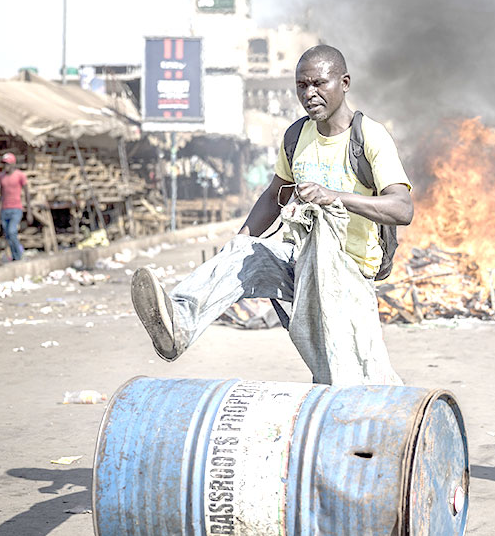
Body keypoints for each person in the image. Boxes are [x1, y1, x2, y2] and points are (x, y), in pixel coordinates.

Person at [129, 45, 413, 384]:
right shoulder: (296, 136)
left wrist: (334, 196)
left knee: (352, 380)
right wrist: (241, 241)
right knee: (242, 253)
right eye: (302, 85)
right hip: (300, 263)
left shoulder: (369, 137)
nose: (310, 94)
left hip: (347, 275)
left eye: (319, 84)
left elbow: (402, 208)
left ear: (344, 83)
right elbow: (272, 196)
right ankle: (178, 325)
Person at [0, 152, 32, 261]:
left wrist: (29, 211)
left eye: (7, 164)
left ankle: (19, 254)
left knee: (12, 231)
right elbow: (1, 196)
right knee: (7, 235)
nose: (5, 166)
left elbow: (27, 193)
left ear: (13, 164)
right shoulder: (1, 177)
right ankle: (15, 257)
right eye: (4, 164)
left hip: (16, 208)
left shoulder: (20, 175)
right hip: (4, 210)